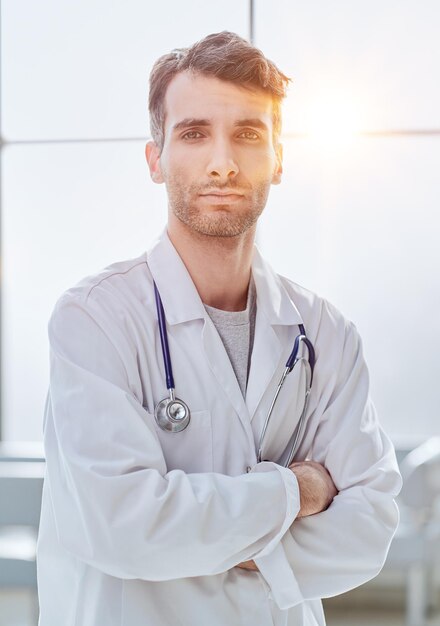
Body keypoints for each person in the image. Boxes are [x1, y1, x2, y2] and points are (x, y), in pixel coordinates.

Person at [37, 31, 401, 626]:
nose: (223, 162)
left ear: (279, 158)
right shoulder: (93, 321)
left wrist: (213, 538)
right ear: (156, 159)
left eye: (249, 134)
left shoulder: (326, 334)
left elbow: (371, 526)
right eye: (194, 133)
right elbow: (127, 528)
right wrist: (299, 493)